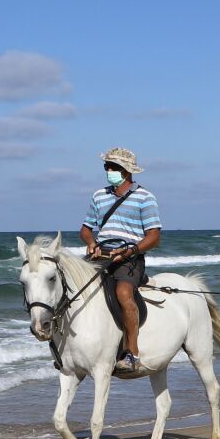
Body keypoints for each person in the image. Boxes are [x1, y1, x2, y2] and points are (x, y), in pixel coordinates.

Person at [79, 145, 162, 374]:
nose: (108, 170)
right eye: (107, 166)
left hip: (129, 258)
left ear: (126, 170)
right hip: (101, 254)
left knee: (123, 293)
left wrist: (129, 251)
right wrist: (91, 243)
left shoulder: (144, 197)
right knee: (74, 289)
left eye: (113, 167)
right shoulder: (99, 195)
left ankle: (132, 354)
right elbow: (86, 229)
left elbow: (154, 237)